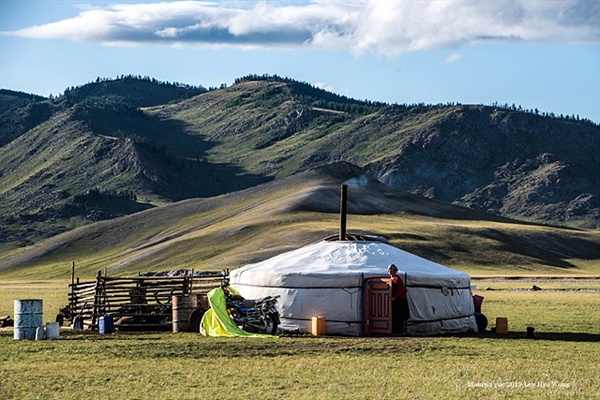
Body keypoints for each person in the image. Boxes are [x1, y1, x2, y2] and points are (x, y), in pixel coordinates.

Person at [388, 263, 409, 334]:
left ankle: (399, 331)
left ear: (395, 271)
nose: (390, 271)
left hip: (400, 301)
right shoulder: (390, 279)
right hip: (394, 300)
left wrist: (395, 297)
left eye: (392, 270)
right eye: (389, 270)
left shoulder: (397, 279)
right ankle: (393, 330)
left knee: (399, 316)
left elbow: (401, 291)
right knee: (393, 316)